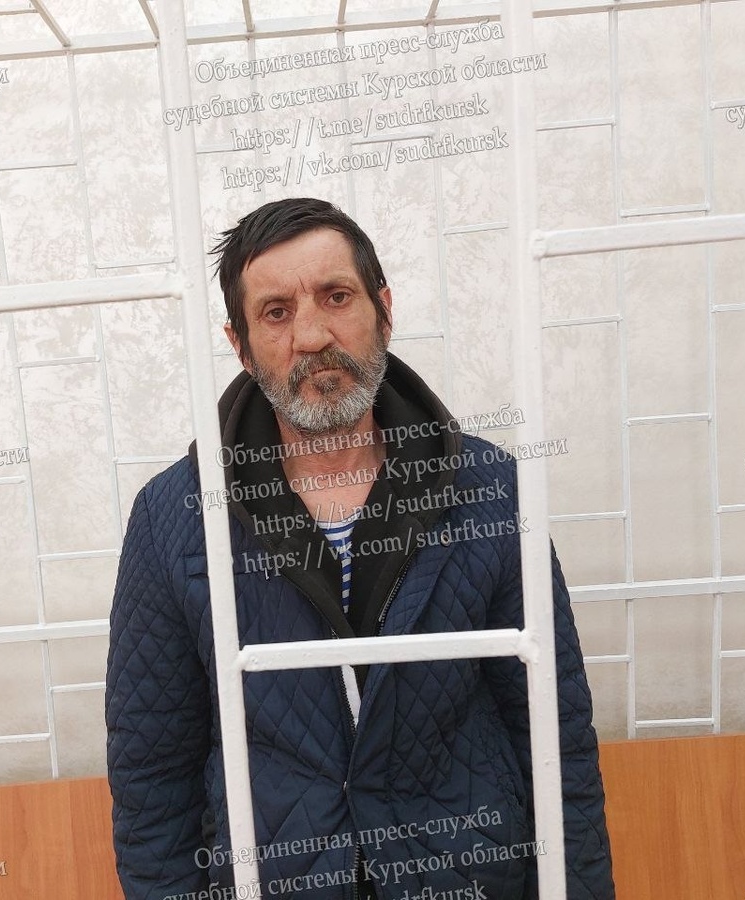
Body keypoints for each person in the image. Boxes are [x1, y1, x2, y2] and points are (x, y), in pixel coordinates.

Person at [105, 197, 615, 900]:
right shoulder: (174, 518)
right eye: (276, 312)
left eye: (336, 296)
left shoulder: (491, 490)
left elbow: (555, 737)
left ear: (384, 308)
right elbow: (151, 777)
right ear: (241, 346)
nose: (312, 335)